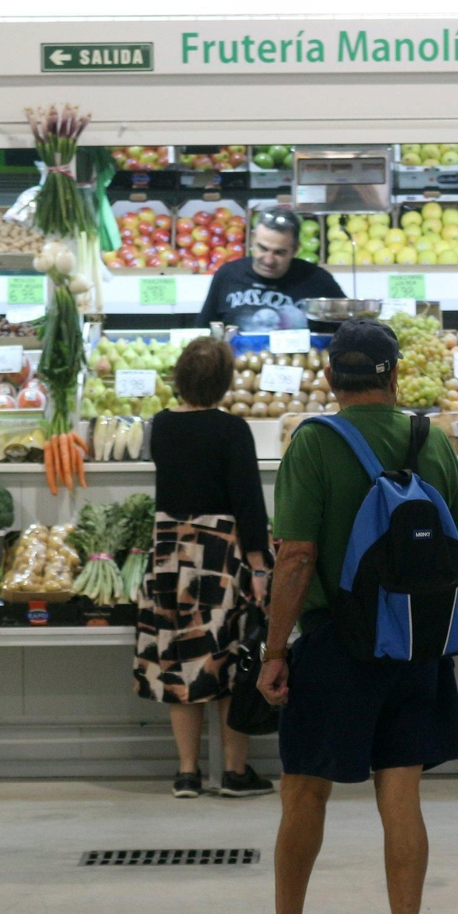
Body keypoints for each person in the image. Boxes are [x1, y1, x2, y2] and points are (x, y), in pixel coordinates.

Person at [225, 319, 458, 914]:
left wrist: (276, 650)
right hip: (416, 641)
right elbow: (453, 538)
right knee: (402, 793)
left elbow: (296, 557)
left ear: (333, 379)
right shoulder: (436, 441)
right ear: (394, 376)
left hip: (338, 643)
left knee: (305, 788)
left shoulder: (315, 442)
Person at [134, 336, 275, 799]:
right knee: (228, 658)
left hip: (170, 550)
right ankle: (235, 771)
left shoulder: (160, 426)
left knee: (179, 658)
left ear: (178, 377)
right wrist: (259, 564)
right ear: (225, 381)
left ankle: (187, 772)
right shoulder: (232, 430)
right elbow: (248, 502)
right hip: (219, 553)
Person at [195, 208, 345, 332]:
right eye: (262, 248)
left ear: (295, 249)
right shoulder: (227, 275)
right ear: (252, 239)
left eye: (279, 252)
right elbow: (202, 332)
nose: (268, 260)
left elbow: (350, 332)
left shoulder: (318, 280)